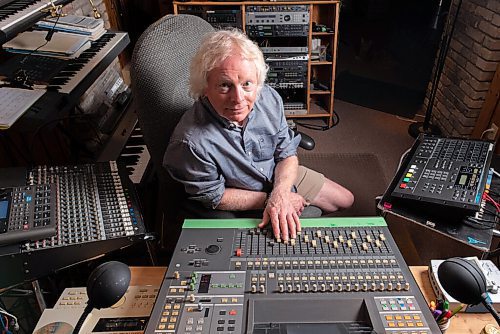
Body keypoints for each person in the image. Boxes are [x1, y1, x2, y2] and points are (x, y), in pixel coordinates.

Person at [164, 29, 353, 242]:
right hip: (237, 192)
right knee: (289, 234)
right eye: (225, 85)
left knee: (345, 200)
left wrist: (281, 193)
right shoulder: (189, 141)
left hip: (274, 175)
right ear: (205, 87)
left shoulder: (270, 98)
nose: (238, 98)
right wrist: (272, 201)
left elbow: (286, 154)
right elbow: (214, 196)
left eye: (246, 84)